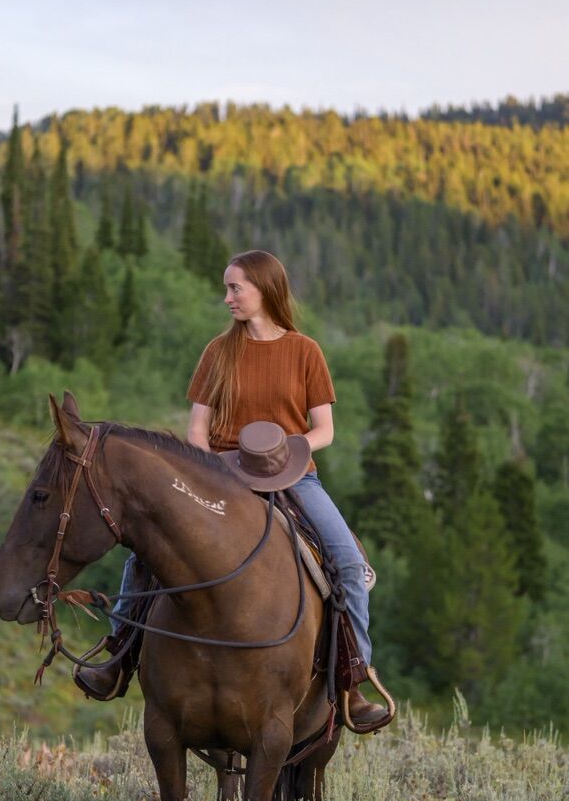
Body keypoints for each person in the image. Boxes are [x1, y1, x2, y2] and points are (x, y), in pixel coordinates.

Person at [75, 250, 384, 726]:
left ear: (266, 289)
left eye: (236, 288)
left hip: (294, 474)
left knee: (346, 562)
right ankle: (119, 657)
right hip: (222, 473)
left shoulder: (306, 351)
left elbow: (324, 429)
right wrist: (212, 472)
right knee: (147, 553)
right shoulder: (218, 352)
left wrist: (282, 452)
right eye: (227, 288)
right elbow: (197, 430)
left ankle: (352, 681)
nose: (228, 298)